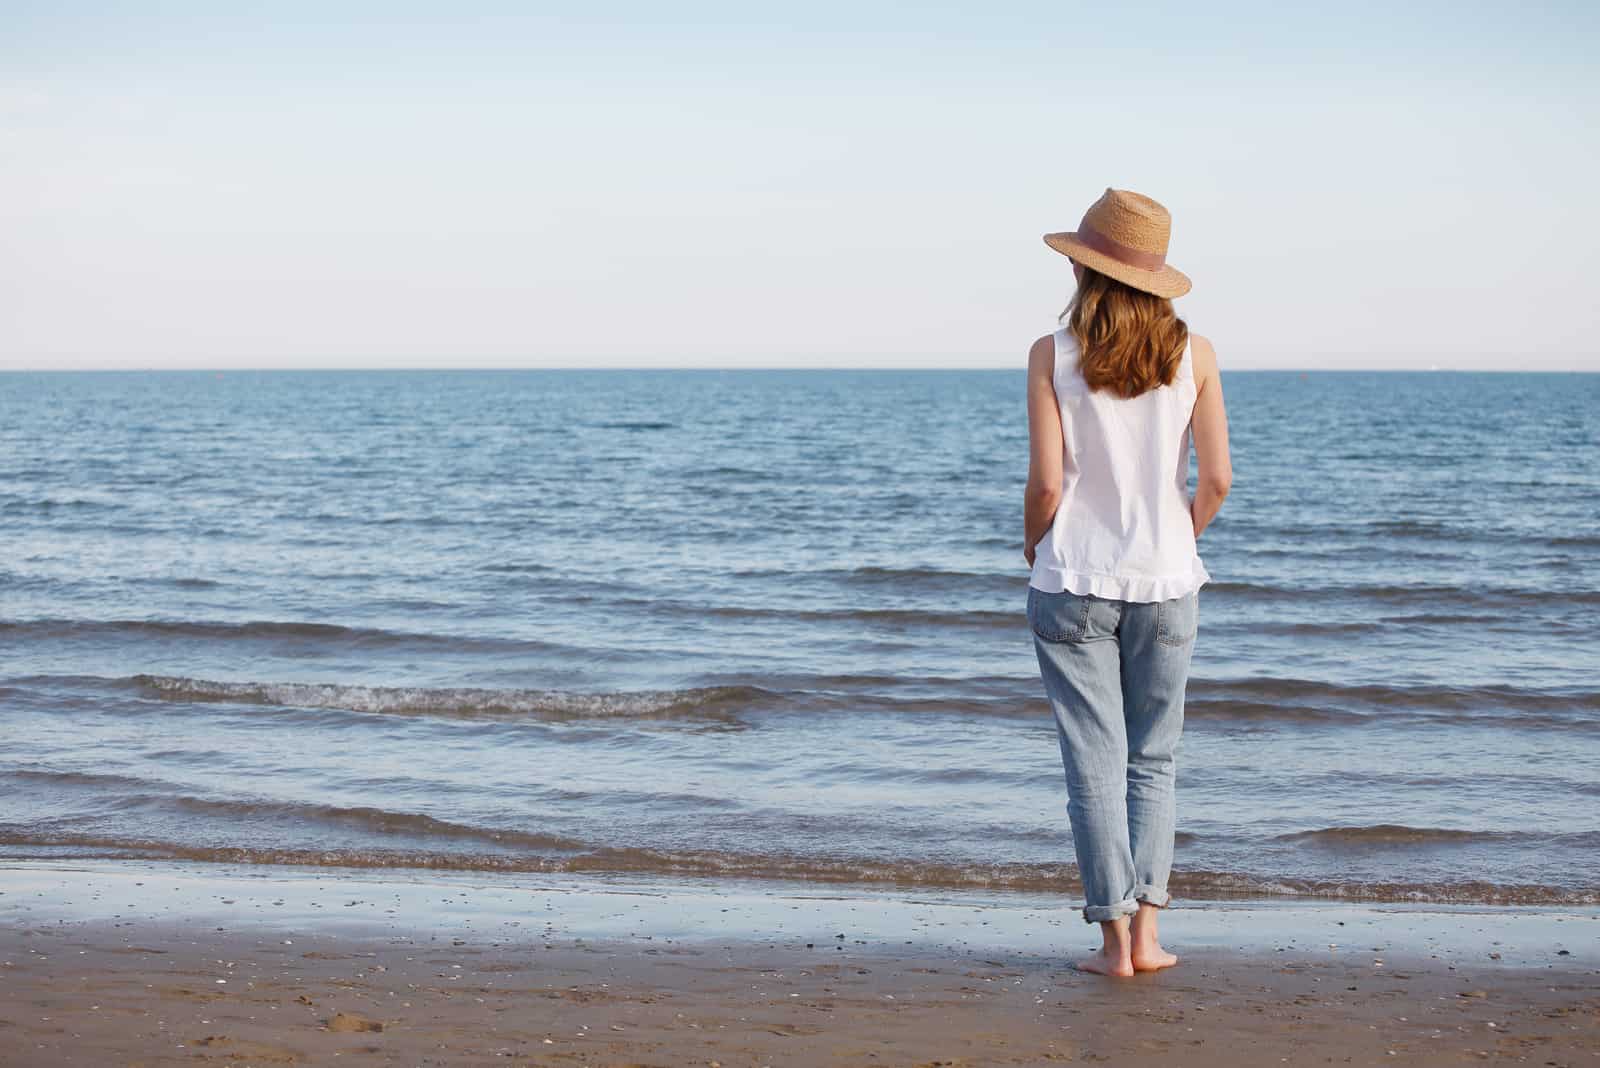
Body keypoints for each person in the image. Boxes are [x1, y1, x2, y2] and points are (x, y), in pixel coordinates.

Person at [1023, 187, 1232, 977]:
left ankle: (1110, 946)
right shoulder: (1197, 353)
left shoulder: (1053, 353)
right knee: (1155, 760)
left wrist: (1031, 547)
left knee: (1094, 763)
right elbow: (1216, 480)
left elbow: (1047, 485)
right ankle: (1148, 939)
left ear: (1085, 268)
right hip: (1168, 581)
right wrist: (1176, 539)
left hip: (1072, 576)